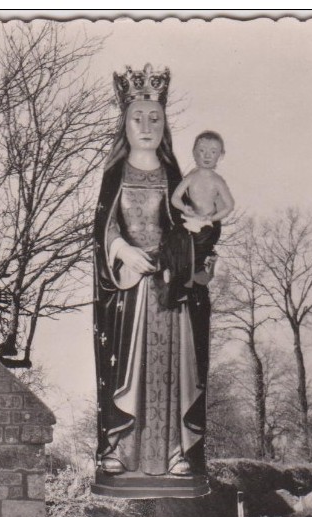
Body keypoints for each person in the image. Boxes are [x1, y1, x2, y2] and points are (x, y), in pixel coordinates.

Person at [92, 64, 212, 489]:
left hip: (168, 287)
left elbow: (195, 225)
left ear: (165, 124)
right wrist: (123, 250)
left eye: (155, 118)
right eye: (137, 118)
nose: (146, 126)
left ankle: (178, 452)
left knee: (176, 370)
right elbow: (104, 229)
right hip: (129, 289)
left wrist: (194, 241)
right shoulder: (114, 176)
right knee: (129, 369)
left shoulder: (174, 176)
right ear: (123, 124)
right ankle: (121, 452)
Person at [170, 131, 234, 282]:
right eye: (202, 150)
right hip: (190, 220)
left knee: (202, 240)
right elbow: (175, 198)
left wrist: (212, 217)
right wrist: (184, 208)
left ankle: (203, 266)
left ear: (221, 156)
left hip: (208, 224)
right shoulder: (191, 177)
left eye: (213, 152)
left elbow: (229, 205)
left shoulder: (217, 181)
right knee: (178, 239)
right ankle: (177, 271)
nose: (207, 156)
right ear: (194, 152)